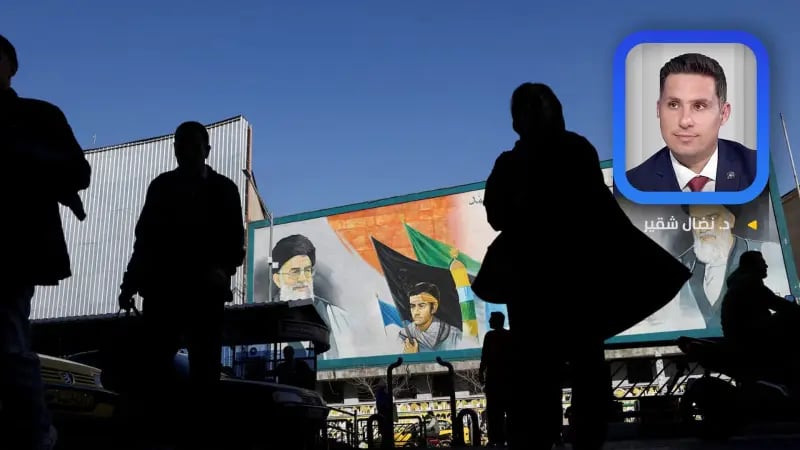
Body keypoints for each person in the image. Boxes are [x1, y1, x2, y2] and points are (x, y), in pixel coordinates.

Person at [476, 82, 690, 450]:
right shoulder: (530, 159)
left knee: (565, 363)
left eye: (540, 109)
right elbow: (500, 215)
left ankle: (566, 436)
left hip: (560, 278)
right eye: (531, 110)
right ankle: (557, 437)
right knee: (556, 364)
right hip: (548, 279)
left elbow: (595, 211)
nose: (537, 117)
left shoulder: (553, 154)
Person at [118, 120, 245, 448]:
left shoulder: (224, 189)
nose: (184, 151)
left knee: (204, 372)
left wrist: (222, 270)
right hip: (164, 293)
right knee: (157, 369)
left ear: (206, 150)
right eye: (179, 145)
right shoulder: (162, 187)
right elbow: (144, 240)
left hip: (203, 294)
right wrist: (129, 284)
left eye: (191, 145)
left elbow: (236, 241)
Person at [0, 34, 91, 450]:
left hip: (12, 246)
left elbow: (78, 171)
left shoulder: (38, 116)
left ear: (11, 67)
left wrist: (20, 156)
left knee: (7, 342)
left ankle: (36, 436)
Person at [625, 53, 757, 193]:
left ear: (724, 113)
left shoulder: (759, 169)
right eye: (674, 105)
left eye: (699, 106)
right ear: (658, 109)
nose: (684, 121)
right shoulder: (632, 185)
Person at [720, 250, 800, 384]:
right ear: (752, 265)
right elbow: (779, 304)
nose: (766, 266)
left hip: (741, 342)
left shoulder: (738, 283)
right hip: (752, 342)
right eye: (762, 262)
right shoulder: (749, 283)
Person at [479, 311, 513, 447]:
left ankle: (496, 439)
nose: (489, 321)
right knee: (508, 411)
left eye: (491, 319)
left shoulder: (490, 336)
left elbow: (485, 357)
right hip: (508, 380)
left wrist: (481, 372)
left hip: (494, 380)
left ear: (497, 321)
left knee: (494, 412)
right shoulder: (509, 336)